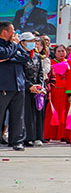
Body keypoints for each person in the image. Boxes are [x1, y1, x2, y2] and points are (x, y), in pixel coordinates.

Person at [0, 22, 30, 150]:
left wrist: (9, 57)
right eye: (12, 31)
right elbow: (3, 54)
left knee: (18, 115)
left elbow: (25, 57)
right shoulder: (8, 45)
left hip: (18, 85)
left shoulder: (15, 46)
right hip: (4, 85)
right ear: (4, 32)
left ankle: (17, 140)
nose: (15, 33)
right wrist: (13, 47)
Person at [21, 33, 47, 147]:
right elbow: (20, 74)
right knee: (27, 113)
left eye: (34, 41)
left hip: (37, 89)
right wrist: (30, 86)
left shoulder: (36, 56)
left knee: (38, 112)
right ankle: (27, 137)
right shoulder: (20, 56)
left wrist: (40, 85)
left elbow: (41, 72)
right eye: (31, 41)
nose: (34, 43)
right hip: (25, 88)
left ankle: (38, 137)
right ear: (23, 43)